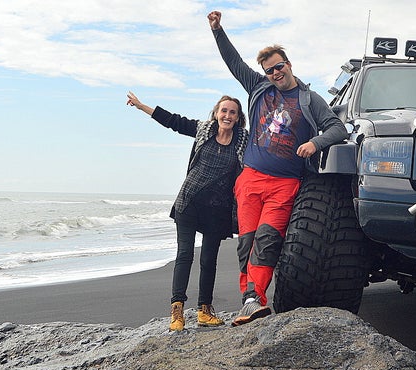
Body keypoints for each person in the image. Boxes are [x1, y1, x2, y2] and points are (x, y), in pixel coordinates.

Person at [207, 10, 349, 326]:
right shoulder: (259, 88)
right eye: (269, 70)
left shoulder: (310, 99)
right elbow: (234, 63)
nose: (275, 73)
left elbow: (338, 128)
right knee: (247, 242)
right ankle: (251, 300)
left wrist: (316, 143)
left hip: (284, 184)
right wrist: (218, 30)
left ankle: (254, 299)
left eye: (278, 67)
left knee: (268, 241)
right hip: (250, 180)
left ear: (289, 64)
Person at [126, 91, 249, 331]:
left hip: (218, 210)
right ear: (216, 113)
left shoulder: (243, 139)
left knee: (209, 260)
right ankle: (177, 312)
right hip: (189, 203)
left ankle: (205, 310)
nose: (227, 115)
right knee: (184, 255)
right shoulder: (203, 130)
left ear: (238, 117)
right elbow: (174, 122)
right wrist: (142, 106)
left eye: (232, 112)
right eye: (223, 110)